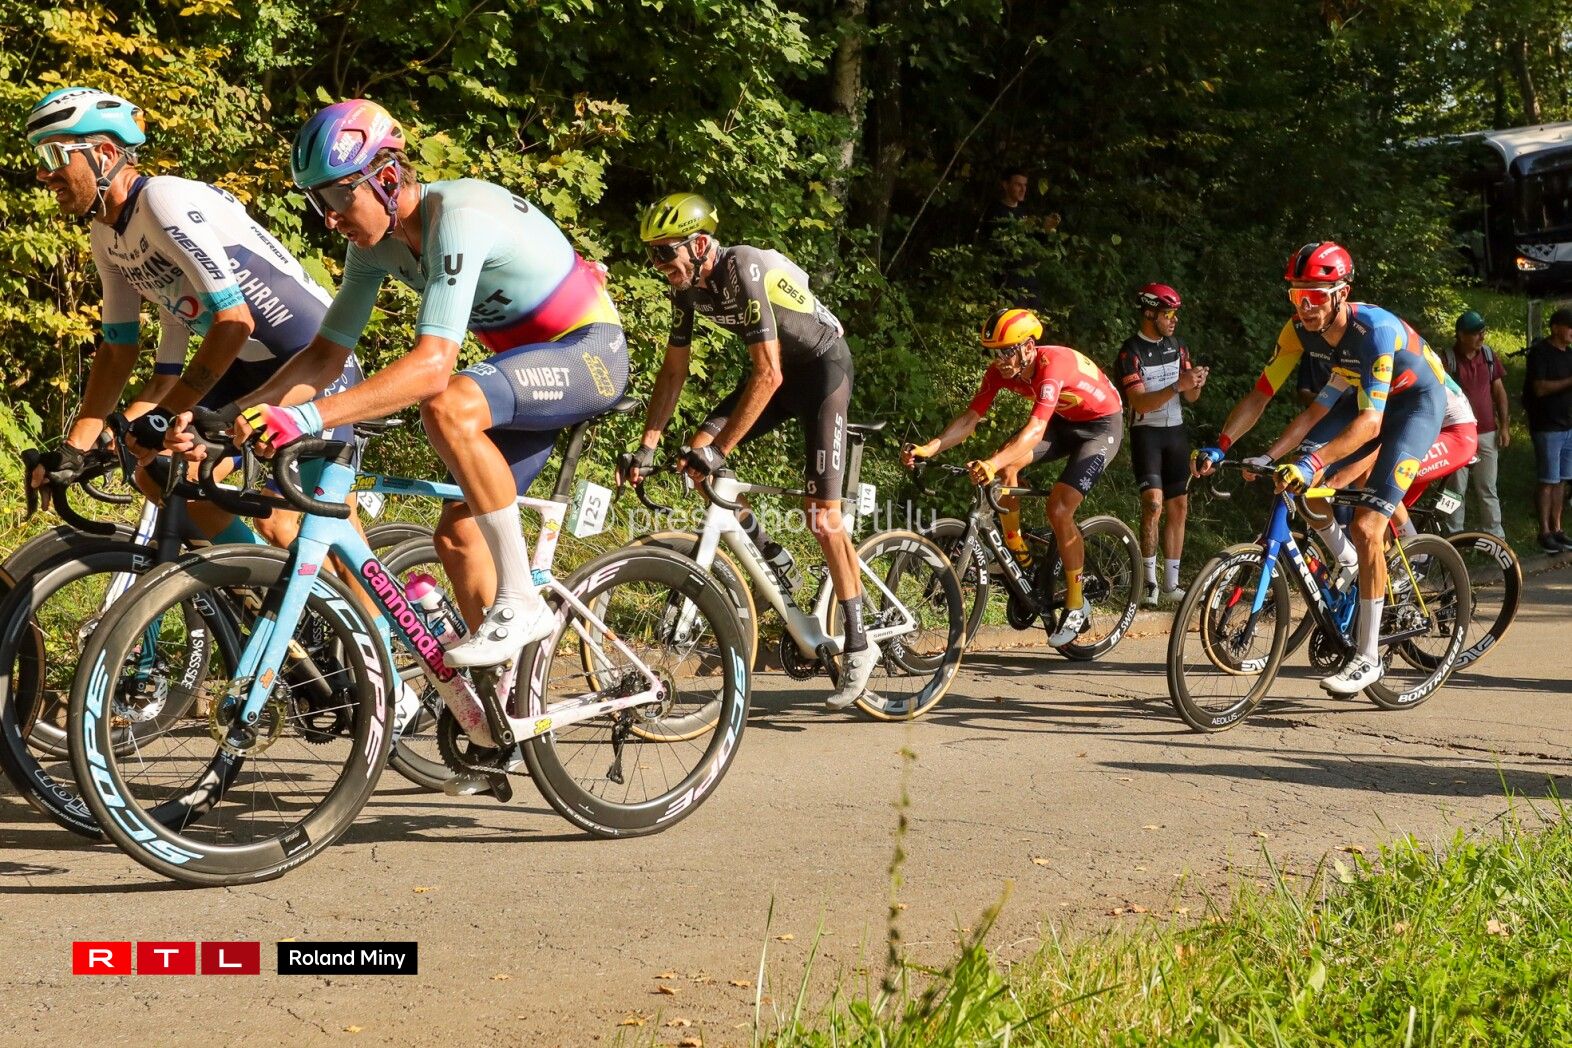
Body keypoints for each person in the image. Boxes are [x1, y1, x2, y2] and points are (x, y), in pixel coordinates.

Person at [237, 98, 628, 672]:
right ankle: (499, 697)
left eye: (337, 198)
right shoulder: (373, 248)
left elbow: (432, 368)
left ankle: (522, 601)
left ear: (386, 177)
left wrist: (306, 417)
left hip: (589, 353)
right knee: (459, 537)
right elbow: (323, 356)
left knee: (447, 405)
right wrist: (234, 416)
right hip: (523, 370)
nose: (329, 218)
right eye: (318, 202)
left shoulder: (458, 214)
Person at [24, 86, 362, 546]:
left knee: (306, 531)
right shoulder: (107, 236)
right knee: (163, 477)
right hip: (245, 369)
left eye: (53, 154)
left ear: (104, 154)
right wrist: (75, 447)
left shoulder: (162, 201)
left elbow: (235, 322)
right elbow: (119, 349)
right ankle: (252, 582)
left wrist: (164, 415)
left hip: (311, 360)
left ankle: (356, 594)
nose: (43, 173)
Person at [624, 193, 876, 709]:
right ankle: (773, 554)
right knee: (695, 456)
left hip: (822, 372)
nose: (658, 264)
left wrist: (721, 450)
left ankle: (858, 640)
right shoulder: (686, 289)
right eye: (651, 254)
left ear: (699, 245)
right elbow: (673, 372)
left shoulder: (742, 267)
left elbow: (769, 373)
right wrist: (648, 446)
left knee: (822, 516)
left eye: (665, 252)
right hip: (779, 376)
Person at [1192, 242, 1447, 694]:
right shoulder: (1298, 330)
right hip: (1360, 395)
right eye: (1296, 296)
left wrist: (1313, 461)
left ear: (1341, 293)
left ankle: (1368, 657)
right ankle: (1347, 560)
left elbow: (1372, 424)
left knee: (1367, 526)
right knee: (1299, 483)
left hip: (1414, 405)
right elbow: (1262, 393)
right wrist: (1226, 444)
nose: (1304, 307)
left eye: (1314, 296)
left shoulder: (1374, 332)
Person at [902, 308, 1123, 646]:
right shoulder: (1000, 372)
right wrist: (930, 448)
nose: (1000, 360)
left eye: (1007, 351)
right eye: (995, 352)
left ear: (1029, 347)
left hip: (1101, 427)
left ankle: (1077, 602)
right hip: (1064, 421)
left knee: (1059, 508)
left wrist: (990, 462)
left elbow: (1035, 430)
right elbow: (970, 418)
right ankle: (1019, 552)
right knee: (1007, 468)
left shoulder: (1052, 366)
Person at [1114, 283, 1208, 605]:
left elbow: (1192, 397)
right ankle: (1149, 583)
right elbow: (1139, 402)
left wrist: (1195, 382)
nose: (1174, 320)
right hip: (1147, 434)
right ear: (1149, 313)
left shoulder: (1178, 347)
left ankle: (1171, 584)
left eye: (1175, 314)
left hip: (1175, 432)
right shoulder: (1130, 352)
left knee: (1179, 506)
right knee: (1153, 504)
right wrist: (1177, 386)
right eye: (1167, 314)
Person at [1439, 310, 1509, 539]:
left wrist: (1504, 427)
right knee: (1454, 489)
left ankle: (1495, 538)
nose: (1482, 337)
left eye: (1483, 332)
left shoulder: (1488, 355)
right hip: (1456, 435)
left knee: (1488, 487)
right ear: (1461, 335)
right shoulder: (1447, 359)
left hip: (1487, 432)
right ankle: (1452, 538)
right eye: (1476, 333)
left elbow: (1499, 392)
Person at [1524, 307, 1572, 552]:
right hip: (1547, 425)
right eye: (1569, 326)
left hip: (1568, 425)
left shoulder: (1570, 354)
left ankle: (1557, 529)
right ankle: (1544, 532)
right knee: (1547, 480)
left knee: (1561, 480)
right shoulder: (1541, 353)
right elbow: (1539, 388)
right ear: (1555, 327)